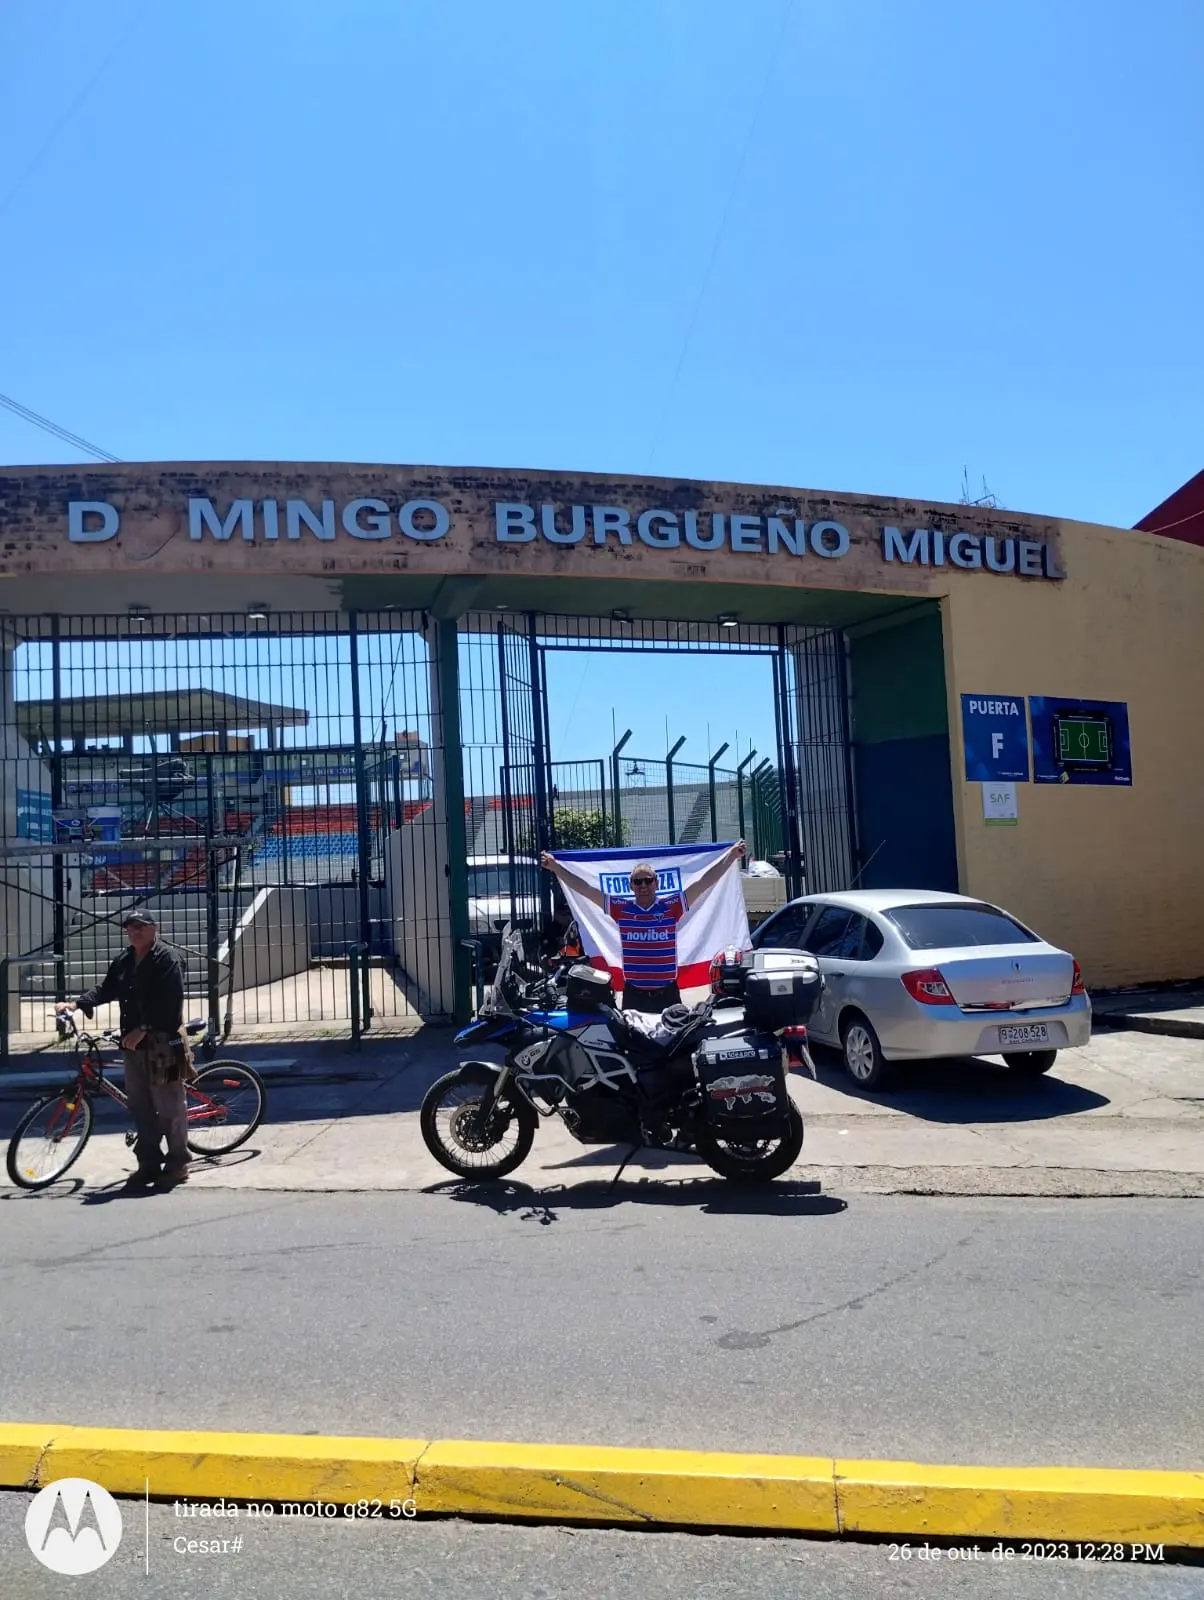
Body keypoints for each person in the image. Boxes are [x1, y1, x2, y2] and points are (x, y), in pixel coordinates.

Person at [57, 911, 193, 1192]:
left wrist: (143, 1027)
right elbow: (107, 988)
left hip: (163, 1042)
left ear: (154, 929)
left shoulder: (166, 959)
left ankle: (178, 1163)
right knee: (140, 1106)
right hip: (133, 1046)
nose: (135, 932)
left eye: (141, 927)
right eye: (130, 927)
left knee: (169, 1107)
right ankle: (149, 1164)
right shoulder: (124, 961)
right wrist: (78, 1003)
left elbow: (171, 1002)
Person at [540, 841, 746, 1014]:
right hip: (634, 995)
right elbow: (585, 888)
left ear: (656, 883)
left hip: (668, 993)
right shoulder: (621, 909)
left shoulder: (671, 907)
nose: (643, 885)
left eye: (648, 880)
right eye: (638, 882)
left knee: (673, 1054)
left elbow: (703, 882)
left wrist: (731, 856)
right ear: (631, 886)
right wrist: (556, 868)